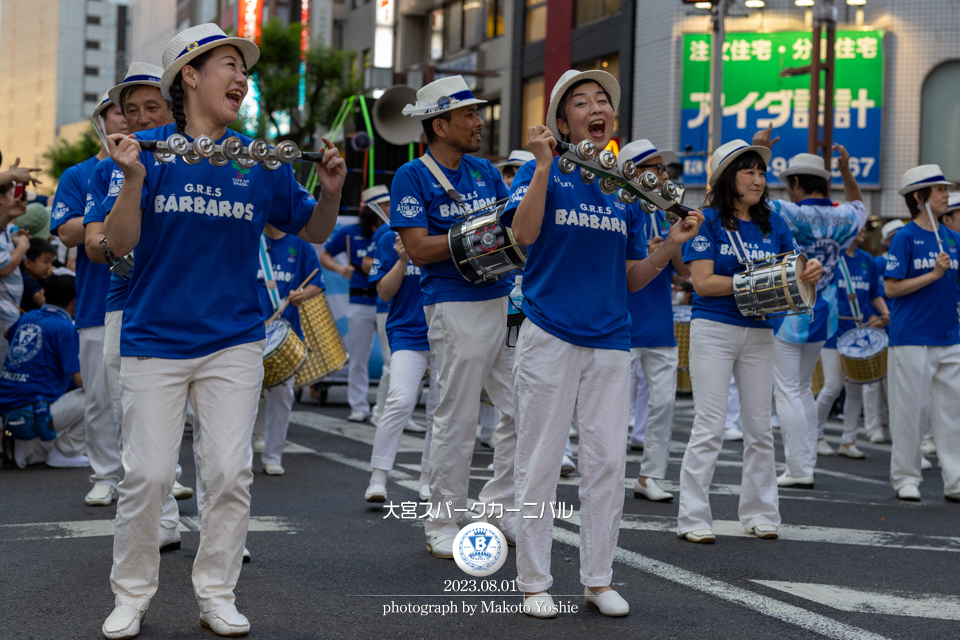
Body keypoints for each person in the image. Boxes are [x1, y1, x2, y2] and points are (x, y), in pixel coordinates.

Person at [100, 23, 344, 639]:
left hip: (235, 339)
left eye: (245, 70)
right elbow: (118, 244)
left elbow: (312, 231)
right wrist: (131, 180)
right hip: (154, 336)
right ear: (190, 75)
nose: (241, 78)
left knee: (229, 474)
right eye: (228, 65)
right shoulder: (144, 150)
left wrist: (333, 190)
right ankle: (131, 595)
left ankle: (217, 594)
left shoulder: (258, 161)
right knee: (150, 476)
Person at [506, 69, 703, 619]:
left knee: (606, 462)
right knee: (541, 459)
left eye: (603, 101)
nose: (597, 108)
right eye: (581, 102)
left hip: (612, 338)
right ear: (562, 120)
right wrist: (543, 167)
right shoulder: (539, 170)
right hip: (549, 331)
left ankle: (598, 578)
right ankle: (534, 581)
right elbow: (522, 236)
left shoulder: (623, 191)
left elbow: (635, 277)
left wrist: (671, 245)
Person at [390, 75, 518, 558]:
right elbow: (419, 249)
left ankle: (499, 507)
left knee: (525, 411)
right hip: (453, 303)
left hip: (504, 300)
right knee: (458, 417)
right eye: (468, 115)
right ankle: (443, 520)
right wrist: (476, 239)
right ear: (439, 125)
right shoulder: (412, 176)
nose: (479, 121)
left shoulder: (486, 171)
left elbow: (511, 229)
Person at [678, 139, 823, 544]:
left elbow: (794, 269)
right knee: (709, 427)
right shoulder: (704, 219)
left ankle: (761, 513)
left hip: (761, 331)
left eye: (761, 173)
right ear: (728, 177)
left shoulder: (772, 221)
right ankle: (693, 518)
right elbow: (703, 283)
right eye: (749, 172)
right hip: (714, 330)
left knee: (759, 428)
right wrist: (759, 282)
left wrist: (809, 271)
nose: (759, 180)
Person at [750, 129, 867, 488]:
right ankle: (806, 463)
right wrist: (846, 172)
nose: (787, 189)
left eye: (790, 184)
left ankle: (799, 468)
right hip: (824, 313)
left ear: (797, 182)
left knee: (787, 390)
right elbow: (860, 205)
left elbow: (751, 194)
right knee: (802, 388)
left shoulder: (789, 212)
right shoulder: (844, 217)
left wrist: (761, 155)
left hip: (788, 310)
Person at [51, 92, 128, 508]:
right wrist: (115, 214)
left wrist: (100, 218)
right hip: (97, 301)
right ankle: (104, 476)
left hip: (145, 300)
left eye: (137, 111)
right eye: (120, 111)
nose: (128, 119)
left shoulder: (156, 163)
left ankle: (162, 477)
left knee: (147, 398)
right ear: (101, 119)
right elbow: (66, 232)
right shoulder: (80, 174)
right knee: (98, 398)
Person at [617, 139, 689, 503]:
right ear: (632, 171)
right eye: (655, 168)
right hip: (621, 324)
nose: (663, 175)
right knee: (610, 410)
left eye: (663, 169)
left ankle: (649, 476)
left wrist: (674, 240)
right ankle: (607, 474)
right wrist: (649, 251)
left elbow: (683, 273)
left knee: (663, 406)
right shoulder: (618, 205)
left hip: (659, 324)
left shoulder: (664, 211)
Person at [884, 164, 960, 503]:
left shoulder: (955, 238)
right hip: (911, 336)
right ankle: (905, 477)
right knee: (910, 412)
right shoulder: (904, 237)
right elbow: (891, 289)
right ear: (920, 197)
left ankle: (955, 479)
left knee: (951, 413)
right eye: (940, 190)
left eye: (946, 189)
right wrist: (932, 275)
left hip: (949, 335)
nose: (947, 195)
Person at [365, 228, 439, 502]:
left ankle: (427, 478)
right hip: (407, 332)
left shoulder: (450, 230)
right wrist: (402, 260)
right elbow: (384, 293)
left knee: (440, 410)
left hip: (446, 332)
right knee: (399, 400)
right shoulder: (389, 238)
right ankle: (378, 478)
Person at [254, 222, 324, 475]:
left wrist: (302, 295)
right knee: (243, 396)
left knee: (281, 396)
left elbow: (317, 281)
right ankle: (238, 458)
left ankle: (272, 456)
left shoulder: (300, 244)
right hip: (248, 332)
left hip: (285, 333)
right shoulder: (252, 238)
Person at [814, 227, 889, 459]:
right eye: (857, 227)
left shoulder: (868, 260)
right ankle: (813, 434)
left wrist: (883, 313)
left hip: (858, 333)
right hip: (833, 333)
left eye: (864, 226)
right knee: (833, 386)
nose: (863, 230)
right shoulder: (831, 258)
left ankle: (848, 441)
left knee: (856, 388)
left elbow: (875, 292)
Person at [0, 275, 88, 469]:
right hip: (33, 412)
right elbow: (80, 380)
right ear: (75, 300)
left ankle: (26, 447)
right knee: (95, 395)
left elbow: (7, 332)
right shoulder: (65, 328)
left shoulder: (28, 316)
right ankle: (65, 452)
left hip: (10, 410)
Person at [319, 199, 383, 422]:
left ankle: (386, 409)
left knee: (394, 360)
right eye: (383, 205)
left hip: (387, 302)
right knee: (358, 358)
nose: (388, 209)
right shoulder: (349, 233)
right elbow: (324, 255)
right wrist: (339, 268)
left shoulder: (394, 231)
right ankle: (358, 406)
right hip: (359, 301)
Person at [863, 219, 903, 445]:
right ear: (887, 241)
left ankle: (888, 425)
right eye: (895, 235)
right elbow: (870, 292)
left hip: (899, 327)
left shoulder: (907, 259)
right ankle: (873, 427)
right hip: (877, 326)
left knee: (893, 383)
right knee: (872, 381)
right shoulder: (878, 262)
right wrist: (871, 315)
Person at [1, 187, 28, 360]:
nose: (15, 199)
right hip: (3, 310)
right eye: (11, 195)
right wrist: (23, 245)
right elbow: (3, 269)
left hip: (9, 309)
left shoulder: (6, 229)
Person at [20, 238, 57, 312]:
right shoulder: (26, 280)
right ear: (28, 263)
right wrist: (51, 278)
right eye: (45, 262)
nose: (49, 266)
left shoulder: (39, 278)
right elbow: (42, 300)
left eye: (51, 262)